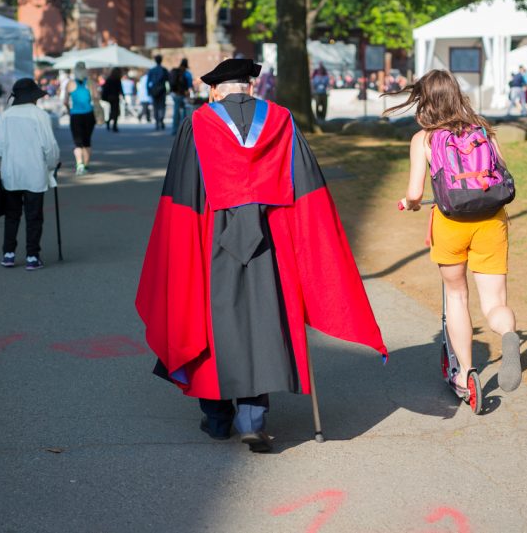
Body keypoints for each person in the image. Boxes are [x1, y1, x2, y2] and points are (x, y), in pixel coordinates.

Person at [135, 58, 387, 453]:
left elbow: (181, 197)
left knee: (211, 321)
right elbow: (308, 191)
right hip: (271, 241)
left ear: (217, 91)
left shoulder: (198, 124)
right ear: (250, 87)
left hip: (211, 240)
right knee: (262, 321)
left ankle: (217, 420)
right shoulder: (281, 121)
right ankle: (253, 419)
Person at [389, 69, 522, 396]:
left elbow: (416, 192)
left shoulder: (425, 139)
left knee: (457, 297)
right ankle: (508, 333)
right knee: (494, 303)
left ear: (425, 101)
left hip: (451, 224)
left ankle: (464, 373)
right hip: (491, 220)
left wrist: (409, 203)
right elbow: (501, 172)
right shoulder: (483, 129)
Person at [0, 79, 60, 271]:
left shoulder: (5, 116)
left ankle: (8, 254)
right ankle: (32, 256)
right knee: (34, 215)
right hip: (35, 171)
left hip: (11, 171)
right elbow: (49, 146)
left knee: (12, 214)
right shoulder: (39, 115)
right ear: (33, 97)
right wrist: (52, 165)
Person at [63, 61, 101, 175]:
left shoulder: (70, 84)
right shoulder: (91, 83)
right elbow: (96, 98)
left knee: (78, 143)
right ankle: (86, 164)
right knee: (87, 141)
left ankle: (80, 165)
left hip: (75, 115)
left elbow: (65, 101)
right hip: (89, 114)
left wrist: (70, 111)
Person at [169, 58, 194, 136]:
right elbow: (190, 85)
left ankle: (174, 130)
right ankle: (184, 130)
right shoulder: (187, 73)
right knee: (184, 112)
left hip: (175, 94)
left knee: (176, 112)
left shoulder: (175, 71)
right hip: (183, 94)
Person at [146, 55, 169, 131]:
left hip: (154, 90)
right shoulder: (164, 70)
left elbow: (148, 82)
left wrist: (149, 91)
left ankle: (157, 122)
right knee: (162, 106)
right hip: (162, 90)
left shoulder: (152, 70)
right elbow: (168, 80)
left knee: (155, 107)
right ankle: (161, 119)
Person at [101, 67, 124, 132]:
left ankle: (110, 123)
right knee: (115, 111)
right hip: (113, 97)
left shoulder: (110, 79)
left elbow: (105, 88)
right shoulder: (114, 79)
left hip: (111, 97)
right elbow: (120, 89)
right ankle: (113, 125)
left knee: (114, 111)